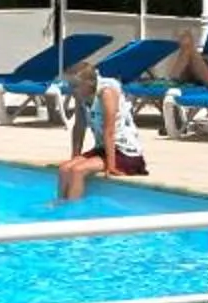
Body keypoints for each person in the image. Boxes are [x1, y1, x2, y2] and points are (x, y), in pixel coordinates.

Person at [56, 58, 149, 201]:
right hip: (104, 148)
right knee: (64, 169)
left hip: (125, 152)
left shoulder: (107, 93)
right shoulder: (81, 95)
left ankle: (71, 213)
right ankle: (60, 205)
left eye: (74, 85)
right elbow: (79, 127)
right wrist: (75, 157)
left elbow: (109, 130)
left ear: (90, 83)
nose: (71, 89)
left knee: (77, 171)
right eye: (70, 85)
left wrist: (111, 166)